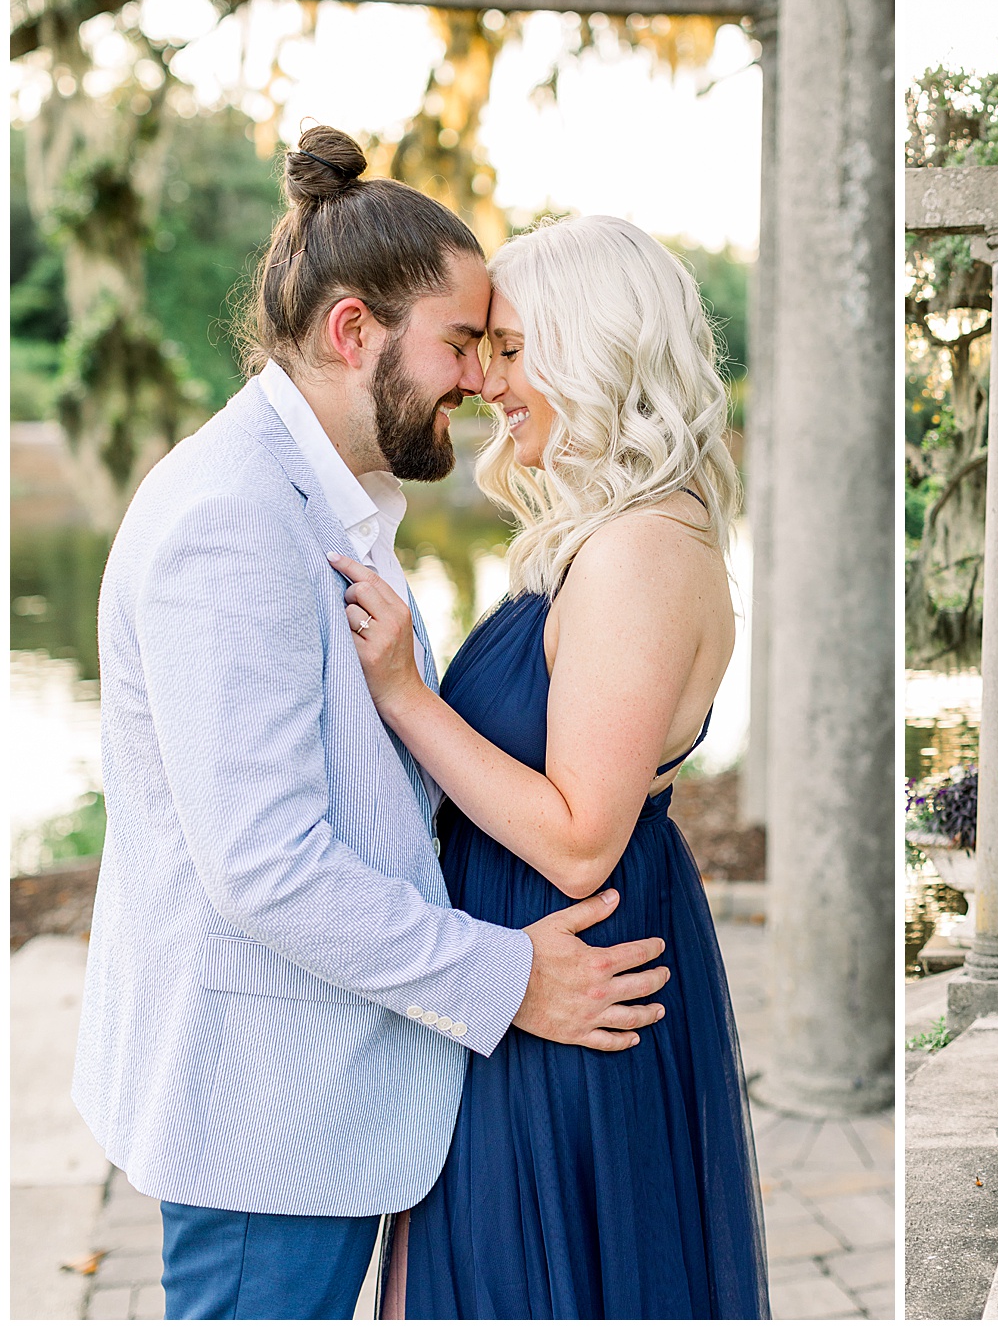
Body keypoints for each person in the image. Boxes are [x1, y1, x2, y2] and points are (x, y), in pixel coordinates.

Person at [72, 125, 670, 1321]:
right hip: (262, 1121)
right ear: (355, 333)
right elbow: (263, 867)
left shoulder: (338, 502)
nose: (479, 376)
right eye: (459, 342)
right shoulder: (231, 518)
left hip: (332, 1094)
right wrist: (508, 979)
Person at [330, 212, 768, 1318]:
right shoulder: (604, 535)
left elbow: (579, 839)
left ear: (594, 349)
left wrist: (403, 696)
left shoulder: (640, 555)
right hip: (525, 978)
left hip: (573, 990)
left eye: (513, 349)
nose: (486, 380)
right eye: (483, 350)